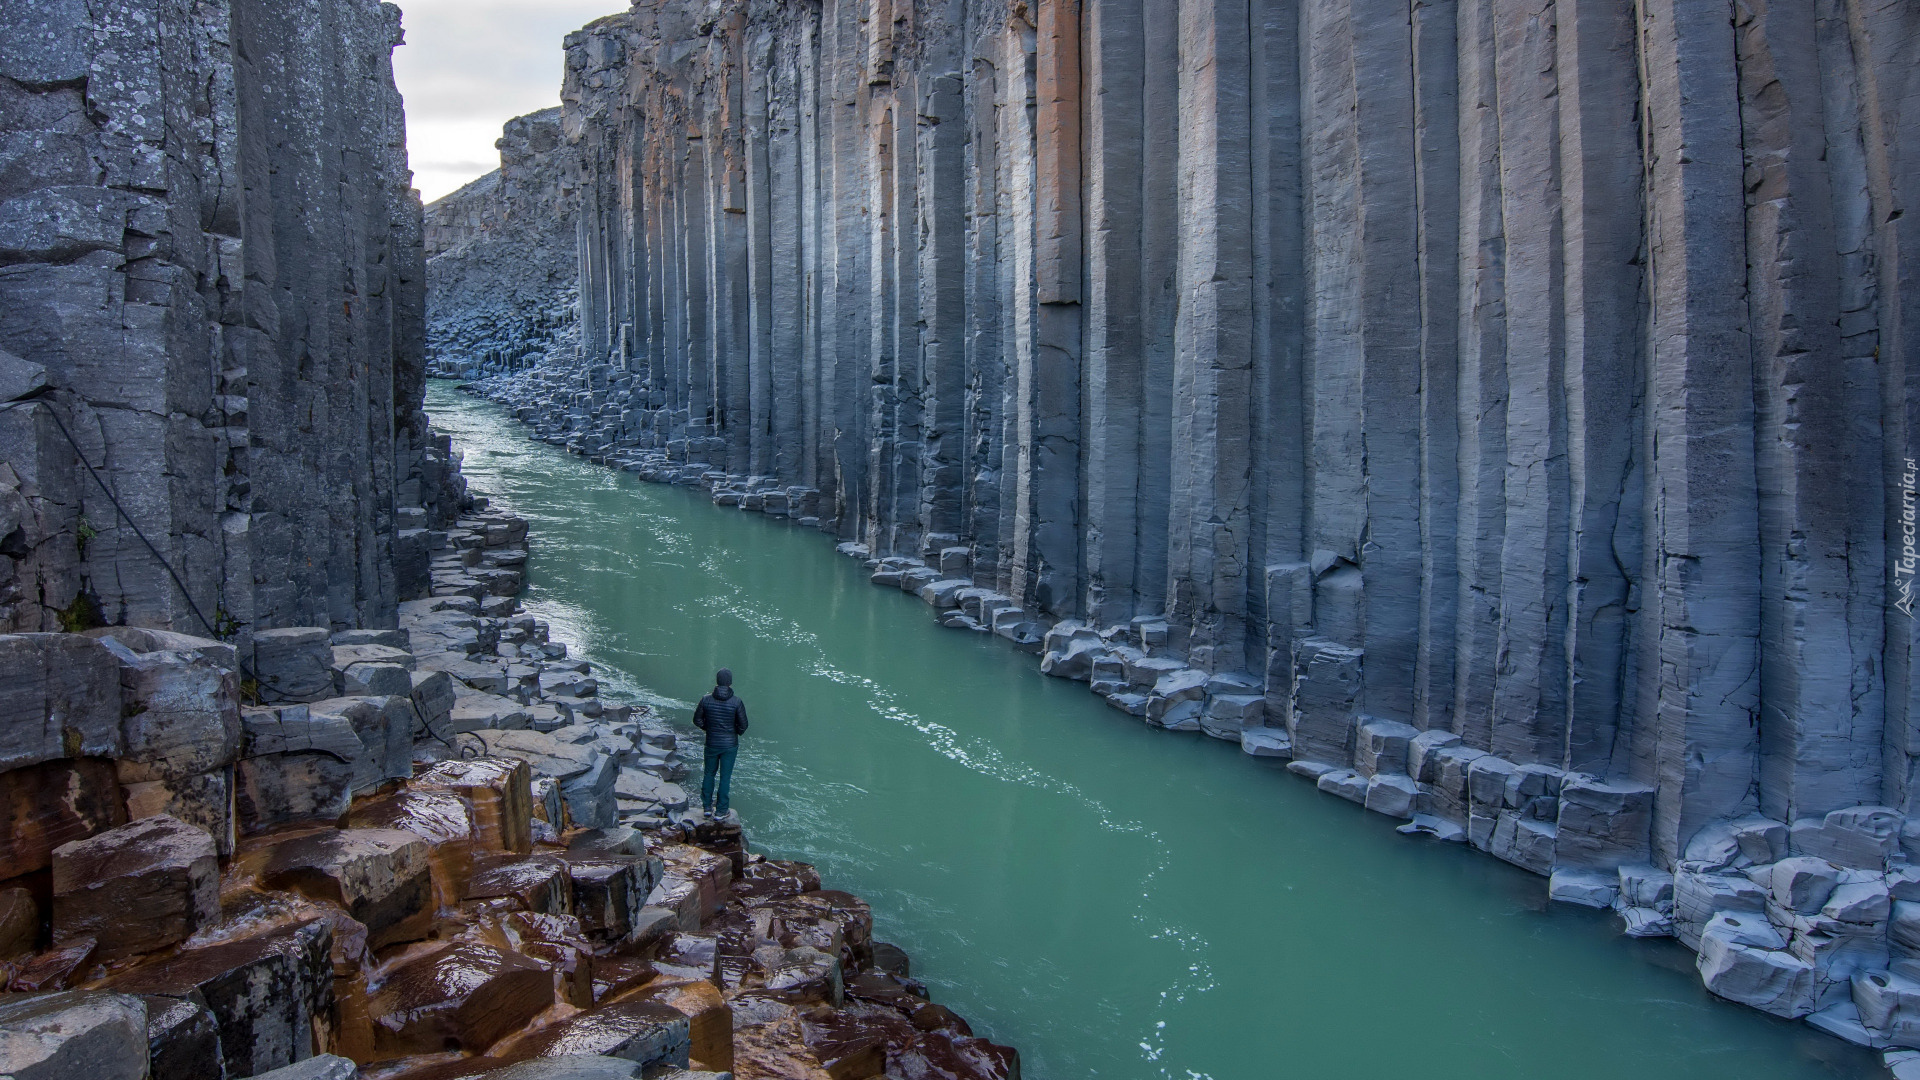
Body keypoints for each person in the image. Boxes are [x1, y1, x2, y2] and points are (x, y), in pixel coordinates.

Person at [692, 668, 749, 818]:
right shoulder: (737, 702)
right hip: (730, 745)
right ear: (730, 682)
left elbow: (697, 720)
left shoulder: (706, 699)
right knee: (725, 776)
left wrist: (708, 729)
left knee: (709, 773)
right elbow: (743, 725)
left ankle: (706, 807)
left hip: (711, 742)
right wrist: (734, 732)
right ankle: (722, 810)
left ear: (717, 681)